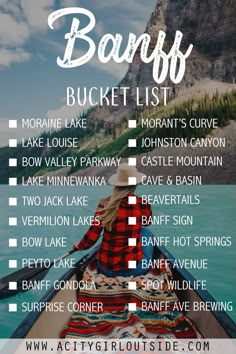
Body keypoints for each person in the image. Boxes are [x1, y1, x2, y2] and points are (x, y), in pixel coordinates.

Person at [74, 163, 154, 277]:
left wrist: (79, 246)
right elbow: (147, 222)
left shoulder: (104, 205)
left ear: (117, 184)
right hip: (133, 269)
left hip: (106, 268)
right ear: (135, 184)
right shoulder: (142, 204)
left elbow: (92, 236)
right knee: (146, 233)